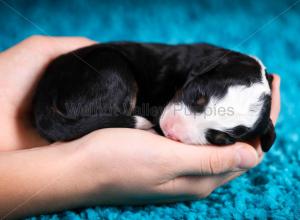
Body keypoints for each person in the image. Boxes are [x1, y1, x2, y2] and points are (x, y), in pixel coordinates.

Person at [0, 36, 281, 219]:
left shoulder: (215, 73)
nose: (175, 128)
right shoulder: (205, 62)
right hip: (82, 78)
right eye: (196, 99)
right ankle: (84, 122)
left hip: (70, 97)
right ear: (201, 70)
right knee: (112, 76)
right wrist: (87, 172)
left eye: (216, 137)